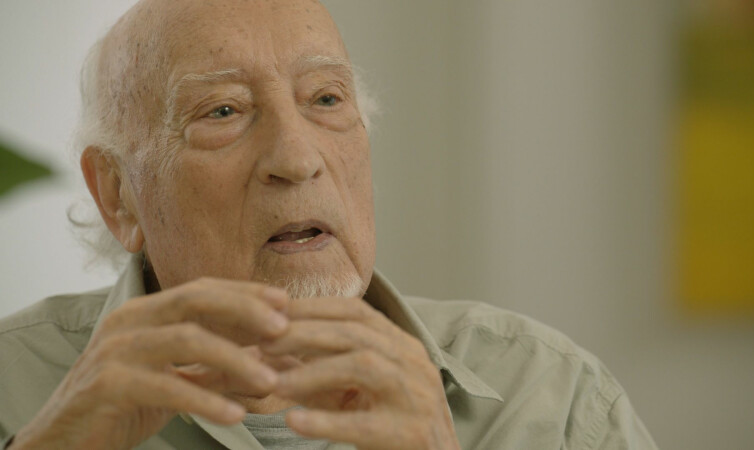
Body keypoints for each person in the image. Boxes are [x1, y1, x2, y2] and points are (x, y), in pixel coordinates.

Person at [0, 1, 658, 449]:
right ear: (117, 194)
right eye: (223, 111)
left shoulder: (556, 398)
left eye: (325, 99)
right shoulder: (14, 389)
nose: (296, 159)